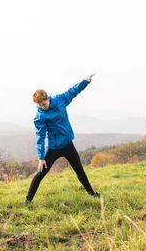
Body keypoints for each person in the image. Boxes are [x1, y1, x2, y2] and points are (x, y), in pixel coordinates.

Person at [25, 74, 100, 203]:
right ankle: (28, 201)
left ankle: (92, 193)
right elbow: (40, 137)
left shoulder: (60, 100)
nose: (43, 107)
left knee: (79, 170)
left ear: (48, 98)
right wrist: (41, 158)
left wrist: (85, 81)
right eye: (40, 106)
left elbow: (73, 91)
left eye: (44, 103)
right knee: (40, 173)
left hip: (68, 144)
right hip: (54, 148)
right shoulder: (40, 116)